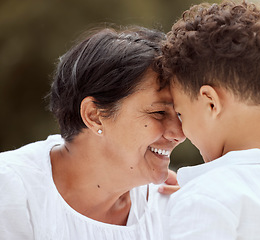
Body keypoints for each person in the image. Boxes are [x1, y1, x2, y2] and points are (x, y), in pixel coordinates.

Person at [0, 26, 185, 239]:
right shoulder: (10, 192)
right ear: (94, 115)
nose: (179, 134)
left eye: (180, 114)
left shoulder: (174, 204)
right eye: (159, 112)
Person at [159, 1, 260, 239]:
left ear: (210, 102)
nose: (181, 130)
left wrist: (198, 198)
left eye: (180, 114)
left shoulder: (204, 201)